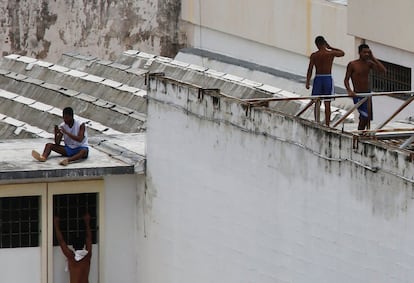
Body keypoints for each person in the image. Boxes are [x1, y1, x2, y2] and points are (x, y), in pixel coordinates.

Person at [344, 43, 386, 130]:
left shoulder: (369, 63)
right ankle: (360, 133)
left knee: (367, 117)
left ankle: (363, 134)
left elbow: (383, 71)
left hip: (367, 94)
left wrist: (373, 57)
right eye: (364, 52)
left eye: (368, 52)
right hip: (358, 94)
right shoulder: (353, 64)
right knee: (364, 116)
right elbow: (346, 80)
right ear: (359, 53)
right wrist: (349, 90)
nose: (366, 54)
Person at [306, 35, 345, 126]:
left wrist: (307, 82)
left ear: (316, 44)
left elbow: (310, 69)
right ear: (324, 43)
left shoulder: (314, 55)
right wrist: (330, 47)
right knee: (327, 102)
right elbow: (342, 53)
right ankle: (327, 124)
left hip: (318, 78)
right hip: (327, 78)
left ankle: (317, 121)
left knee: (317, 102)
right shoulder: (330, 53)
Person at [54, 213, 92, 283]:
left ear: (73, 246)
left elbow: (61, 241)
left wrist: (56, 225)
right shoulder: (87, 255)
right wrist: (87, 223)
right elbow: (89, 239)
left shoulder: (71, 257)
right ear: (83, 245)